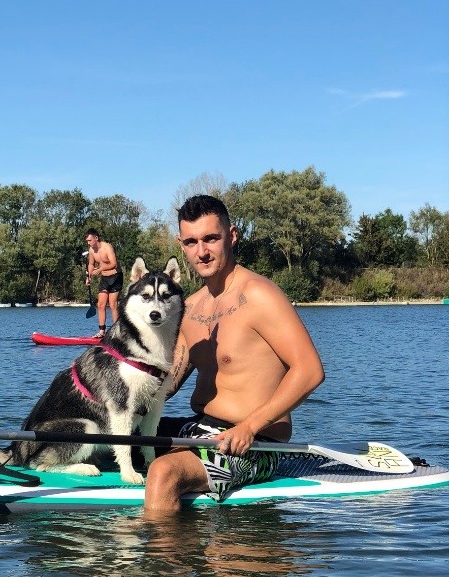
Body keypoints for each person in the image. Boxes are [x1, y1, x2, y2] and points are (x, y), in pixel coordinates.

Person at [144, 195, 325, 516]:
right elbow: (166, 384)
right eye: (191, 242)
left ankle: (158, 565)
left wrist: (250, 426)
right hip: (200, 429)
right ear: (181, 244)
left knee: (163, 473)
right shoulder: (190, 307)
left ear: (232, 234)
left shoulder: (258, 295)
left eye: (211, 238)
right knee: (113, 438)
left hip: (255, 442)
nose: (201, 251)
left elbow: (310, 370)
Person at [85, 228, 123, 338]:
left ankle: (117, 332)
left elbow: (114, 264)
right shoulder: (92, 250)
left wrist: (101, 269)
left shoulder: (107, 247)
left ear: (96, 238)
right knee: (100, 304)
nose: (89, 243)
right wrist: (88, 277)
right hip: (105, 278)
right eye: (87, 241)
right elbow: (91, 265)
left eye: (90, 240)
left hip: (116, 277)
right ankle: (102, 332)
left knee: (112, 304)